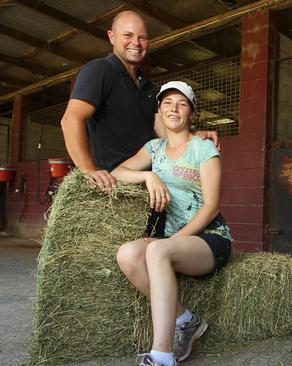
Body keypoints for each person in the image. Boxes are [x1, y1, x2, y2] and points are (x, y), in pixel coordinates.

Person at [112, 81, 232, 366]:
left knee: (156, 251)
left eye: (181, 103)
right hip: (172, 243)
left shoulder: (203, 149)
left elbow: (211, 206)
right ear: (159, 110)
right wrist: (147, 176)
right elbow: (117, 172)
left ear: (191, 112)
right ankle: (186, 319)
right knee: (127, 254)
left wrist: (172, 240)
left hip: (209, 238)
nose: (173, 109)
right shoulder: (154, 149)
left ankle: (162, 356)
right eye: (167, 103)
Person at [60, 10, 217, 193]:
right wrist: (89, 170)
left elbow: (165, 134)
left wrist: (194, 136)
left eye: (142, 37)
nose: (136, 42)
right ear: (111, 37)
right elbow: (70, 120)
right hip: (114, 183)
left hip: (146, 182)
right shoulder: (99, 70)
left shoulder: (149, 87)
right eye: (128, 35)